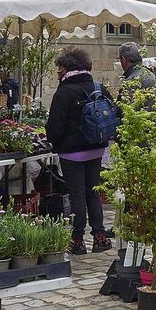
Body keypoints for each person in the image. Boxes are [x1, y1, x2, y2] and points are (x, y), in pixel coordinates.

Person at [45, 47, 113, 255]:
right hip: (96, 149)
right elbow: (113, 114)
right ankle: (100, 238)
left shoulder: (64, 92)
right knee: (93, 193)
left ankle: (77, 241)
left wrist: (54, 142)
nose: (58, 72)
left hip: (72, 153)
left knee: (77, 196)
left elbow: (55, 127)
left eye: (60, 68)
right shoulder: (98, 87)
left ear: (68, 68)